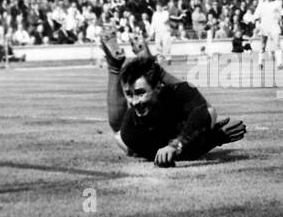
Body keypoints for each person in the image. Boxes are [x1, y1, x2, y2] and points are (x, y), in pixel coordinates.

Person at [99, 29, 245, 168]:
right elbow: (180, 154)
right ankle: (117, 68)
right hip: (151, 135)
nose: (134, 102)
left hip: (173, 117)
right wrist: (212, 139)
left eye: (140, 93)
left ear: (159, 87)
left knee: (207, 112)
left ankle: (145, 69)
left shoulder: (177, 92)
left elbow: (202, 111)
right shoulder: (131, 132)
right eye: (130, 95)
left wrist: (179, 143)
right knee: (120, 137)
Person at [252, 0, 283, 70]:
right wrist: (257, 27)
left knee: (277, 44)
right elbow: (256, 16)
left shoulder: (277, 3)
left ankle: (279, 64)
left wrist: (281, 21)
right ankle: (260, 63)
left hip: (274, 25)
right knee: (263, 45)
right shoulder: (261, 4)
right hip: (264, 26)